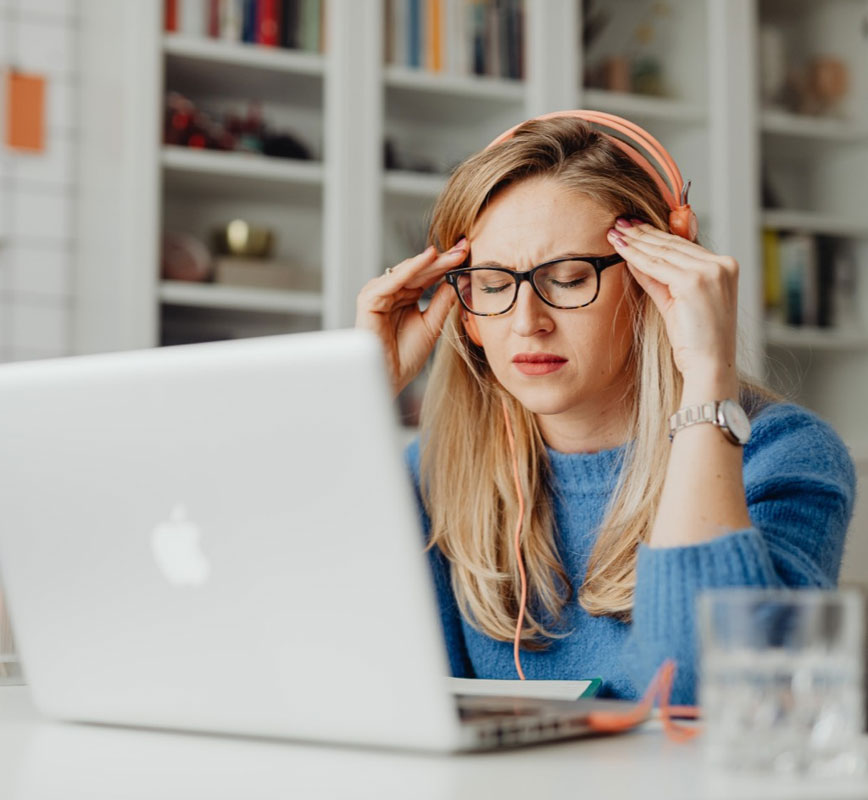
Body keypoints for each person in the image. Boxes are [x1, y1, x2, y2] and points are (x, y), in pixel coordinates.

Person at [354, 113, 856, 704]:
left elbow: (701, 697)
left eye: (567, 279)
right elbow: (354, 678)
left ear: (656, 281)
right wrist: (358, 397)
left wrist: (706, 382)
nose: (526, 323)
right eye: (492, 285)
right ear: (464, 309)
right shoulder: (435, 471)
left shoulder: (783, 456)